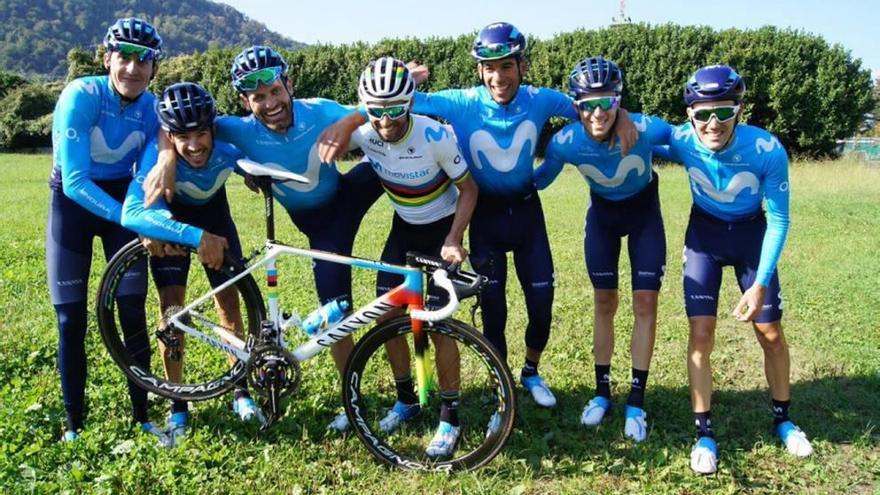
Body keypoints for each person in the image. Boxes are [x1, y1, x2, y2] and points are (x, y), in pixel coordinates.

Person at [321, 22, 637, 409]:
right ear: (479, 71)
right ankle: (499, 381)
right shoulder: (461, 102)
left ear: (523, 65)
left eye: (506, 66)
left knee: (541, 304)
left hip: (526, 213)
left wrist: (623, 117)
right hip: (484, 215)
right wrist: (351, 119)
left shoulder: (541, 99)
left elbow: (588, 106)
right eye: (490, 68)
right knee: (494, 307)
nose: (498, 76)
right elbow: (391, 102)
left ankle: (531, 372)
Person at [143, 46, 384, 430]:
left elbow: (382, 106)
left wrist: (349, 120)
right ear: (244, 100)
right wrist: (166, 157)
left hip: (348, 196)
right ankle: (351, 400)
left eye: (275, 90)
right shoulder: (237, 129)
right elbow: (180, 122)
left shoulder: (319, 110)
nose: (270, 103)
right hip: (322, 229)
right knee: (337, 309)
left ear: (289, 84)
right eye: (258, 97)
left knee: (397, 156)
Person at [659, 65, 812, 474]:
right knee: (701, 335)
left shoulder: (767, 150)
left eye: (724, 112)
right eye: (703, 113)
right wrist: (615, 116)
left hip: (751, 235)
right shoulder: (679, 139)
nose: (713, 123)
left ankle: (783, 419)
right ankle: (703, 432)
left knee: (771, 332)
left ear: (739, 111)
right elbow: (640, 128)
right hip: (704, 238)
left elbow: (779, 220)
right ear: (689, 113)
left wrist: (760, 283)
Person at [534, 57, 671, 442]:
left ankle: (637, 402)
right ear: (575, 105)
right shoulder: (565, 142)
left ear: (618, 101)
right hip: (603, 221)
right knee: (604, 303)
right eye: (587, 104)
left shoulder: (642, 128)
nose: (597, 113)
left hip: (645, 217)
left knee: (645, 304)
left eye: (607, 103)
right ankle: (601, 392)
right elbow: (538, 181)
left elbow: (688, 142)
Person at [348, 57, 478, 456]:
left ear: (410, 103)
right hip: (403, 230)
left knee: (438, 325)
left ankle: (450, 416)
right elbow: (320, 130)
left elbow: (469, 189)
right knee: (387, 316)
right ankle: (406, 399)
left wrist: (455, 237)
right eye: (376, 111)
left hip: (440, 230)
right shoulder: (365, 132)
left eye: (395, 110)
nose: (385, 121)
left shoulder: (435, 136)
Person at [122, 82, 264, 446]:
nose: (196, 145)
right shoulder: (155, 160)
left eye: (202, 133)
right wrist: (168, 230)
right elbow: (133, 212)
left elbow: (259, 154)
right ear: (169, 136)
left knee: (229, 305)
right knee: (172, 311)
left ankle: (240, 391)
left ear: (213, 127)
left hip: (217, 218)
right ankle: (177, 403)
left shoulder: (228, 147)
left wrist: (254, 173)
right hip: (175, 223)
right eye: (183, 137)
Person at [47, 17, 167, 443]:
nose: (133, 69)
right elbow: (76, 181)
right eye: (124, 58)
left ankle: (143, 418)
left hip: (120, 195)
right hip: (73, 201)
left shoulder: (153, 109)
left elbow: (144, 173)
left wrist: (135, 212)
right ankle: (75, 426)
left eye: (144, 60)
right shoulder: (81, 95)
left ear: (155, 66)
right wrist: (130, 220)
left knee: (132, 312)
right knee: (70, 319)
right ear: (107, 59)